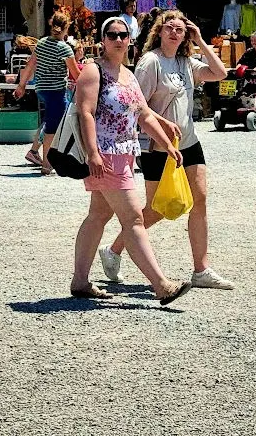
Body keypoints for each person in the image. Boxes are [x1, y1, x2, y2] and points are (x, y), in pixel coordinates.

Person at [100, 10, 236, 291]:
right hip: (158, 146)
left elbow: (220, 73)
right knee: (157, 208)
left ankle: (201, 269)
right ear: (159, 32)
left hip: (188, 142)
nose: (174, 32)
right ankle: (113, 250)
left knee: (199, 199)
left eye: (180, 29)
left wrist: (200, 40)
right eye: (169, 28)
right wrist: (162, 125)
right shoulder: (151, 62)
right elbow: (136, 104)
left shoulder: (187, 62)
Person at [69, 17, 193, 305]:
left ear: (129, 39)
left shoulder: (128, 74)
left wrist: (167, 145)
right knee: (134, 218)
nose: (118, 39)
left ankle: (80, 281)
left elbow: (144, 114)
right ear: (103, 40)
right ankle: (161, 285)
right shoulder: (93, 70)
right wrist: (93, 153)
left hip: (124, 154)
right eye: (112, 34)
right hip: (106, 156)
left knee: (98, 215)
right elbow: (85, 112)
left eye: (123, 35)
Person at [15, 10, 82, 173]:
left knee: (53, 123)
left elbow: (30, 65)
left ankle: (51, 158)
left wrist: (21, 86)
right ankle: (46, 164)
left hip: (42, 89)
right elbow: (76, 74)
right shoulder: (64, 49)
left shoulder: (42, 43)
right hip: (56, 91)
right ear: (66, 28)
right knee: (53, 127)